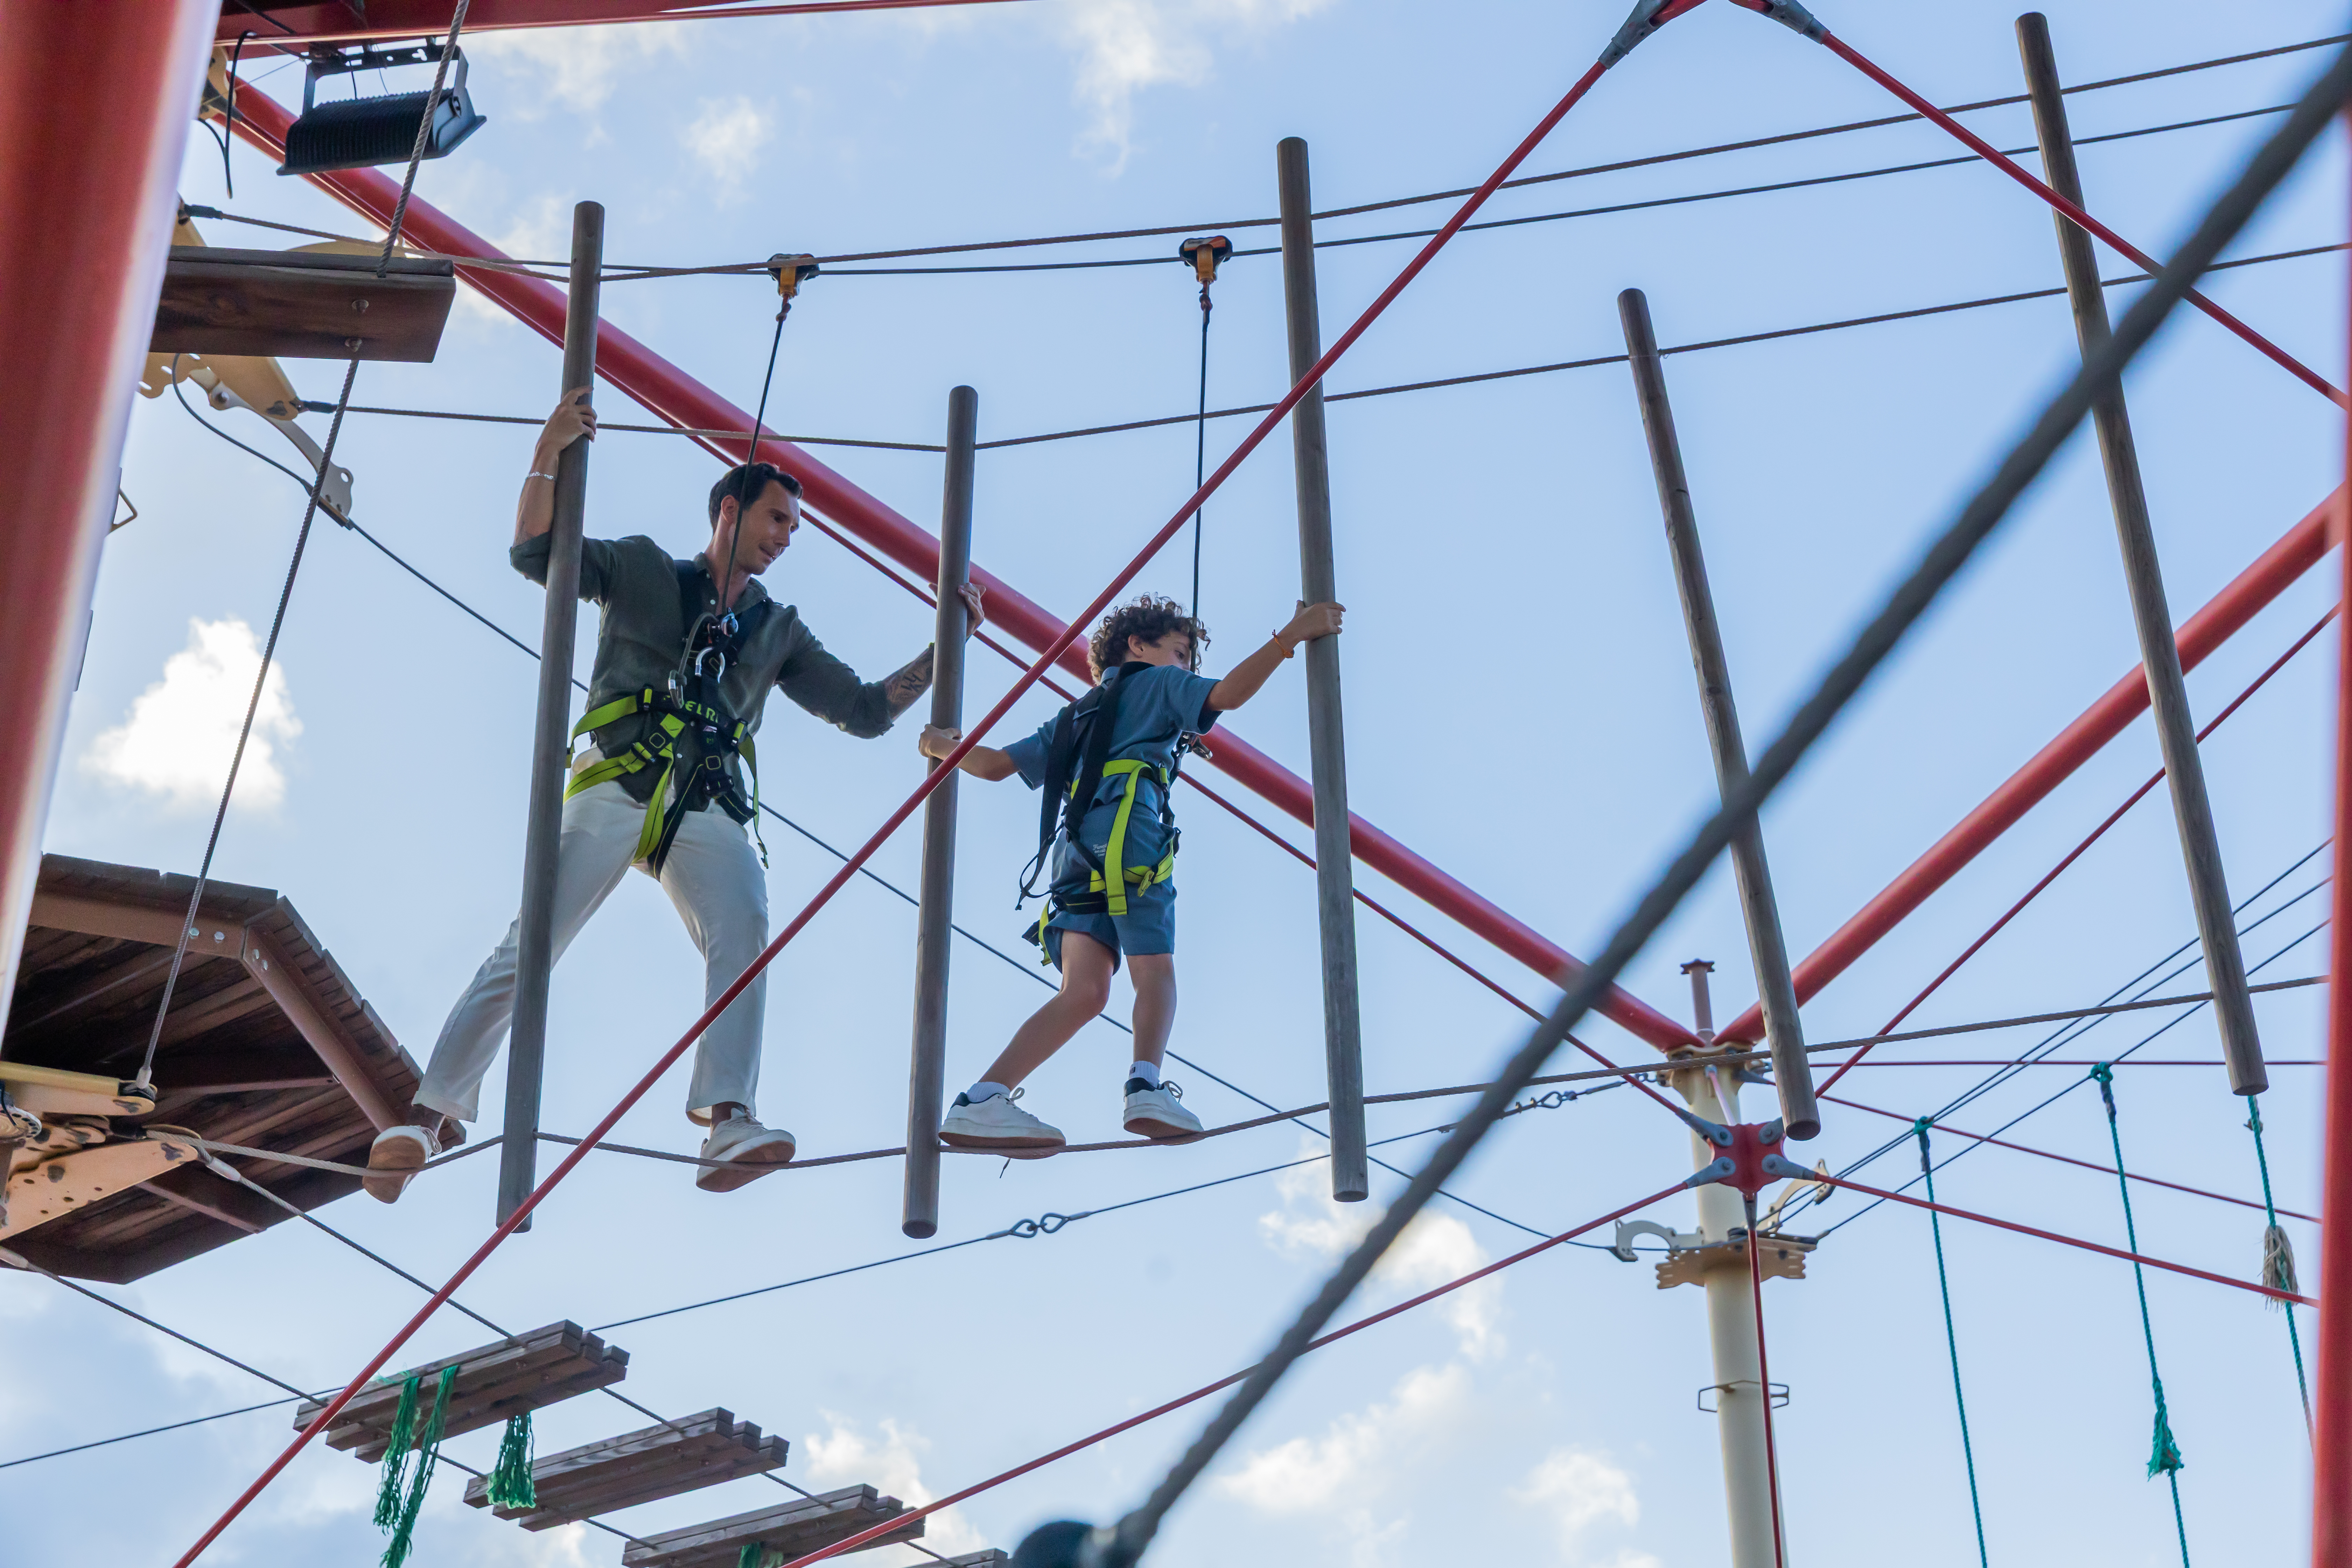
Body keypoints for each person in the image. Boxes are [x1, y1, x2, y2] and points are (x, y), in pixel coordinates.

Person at [364, 388, 982, 1199]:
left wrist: (944, 652)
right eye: (776, 520)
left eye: (793, 527)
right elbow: (535, 551)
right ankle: (429, 1114)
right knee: (532, 942)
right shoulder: (644, 568)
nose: (785, 539)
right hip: (620, 781)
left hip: (705, 802)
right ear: (729, 510)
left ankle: (728, 1118)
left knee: (747, 927)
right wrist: (548, 452)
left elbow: (863, 711)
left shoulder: (777, 627)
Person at [916, 592, 1343, 1153]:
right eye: (1181, 652)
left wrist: (942, 746)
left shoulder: (1079, 712)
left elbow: (995, 766)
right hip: (1132, 838)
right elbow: (1228, 696)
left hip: (1078, 857)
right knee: (1155, 971)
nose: (1187, 667)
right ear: (1137, 647)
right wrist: (1291, 636)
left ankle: (982, 1098)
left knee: (1086, 992)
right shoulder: (1159, 684)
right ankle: (1145, 1083)